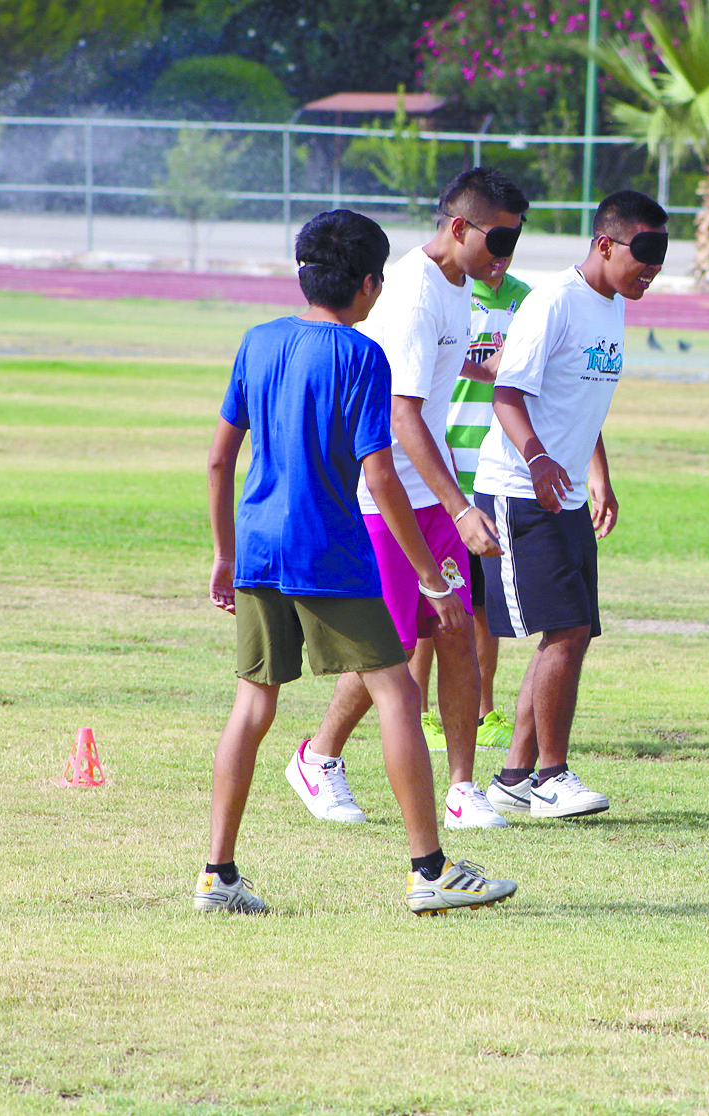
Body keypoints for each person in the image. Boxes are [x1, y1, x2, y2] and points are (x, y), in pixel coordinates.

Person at [197, 208, 517, 915]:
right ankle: (429, 871)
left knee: (254, 704)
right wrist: (432, 579)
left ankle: (218, 876)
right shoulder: (361, 355)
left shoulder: (257, 341)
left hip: (256, 546)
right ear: (370, 284)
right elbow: (380, 478)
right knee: (398, 693)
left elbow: (221, 458)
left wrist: (224, 555)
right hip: (327, 548)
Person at [284, 168, 527, 832]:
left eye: (515, 242)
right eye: (497, 239)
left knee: (455, 634)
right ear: (458, 227)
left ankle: (461, 788)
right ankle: (317, 756)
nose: (504, 257)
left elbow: (436, 383)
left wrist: (497, 368)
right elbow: (402, 416)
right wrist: (460, 507)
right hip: (383, 497)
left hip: (431, 488)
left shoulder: (458, 288)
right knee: (385, 649)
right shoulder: (417, 296)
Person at [473, 188, 669, 819]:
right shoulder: (553, 302)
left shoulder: (610, 306)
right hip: (520, 490)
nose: (653, 268)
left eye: (662, 255)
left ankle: (515, 777)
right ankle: (552, 775)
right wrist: (537, 457)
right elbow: (509, 393)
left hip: (567, 494)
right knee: (566, 629)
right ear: (606, 244)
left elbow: (579, 403)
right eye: (645, 252)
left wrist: (599, 475)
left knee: (574, 632)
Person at [407, 243, 537, 753]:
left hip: (495, 466)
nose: (500, 260)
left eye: (510, 247)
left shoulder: (526, 299)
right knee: (432, 593)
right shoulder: (449, 295)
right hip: (443, 464)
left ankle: (482, 711)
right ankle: (419, 713)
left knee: (481, 602)